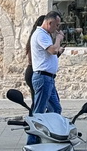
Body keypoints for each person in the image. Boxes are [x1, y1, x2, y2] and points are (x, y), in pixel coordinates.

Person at [28, 10, 66, 144]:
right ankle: (32, 142)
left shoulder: (45, 35)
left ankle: (53, 135)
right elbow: (53, 50)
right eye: (56, 25)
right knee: (38, 112)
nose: (57, 28)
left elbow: (52, 54)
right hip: (43, 78)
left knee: (56, 109)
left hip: (49, 79)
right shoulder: (40, 34)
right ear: (49, 23)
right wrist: (59, 39)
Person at [24, 14, 46, 102]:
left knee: (37, 100)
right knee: (39, 101)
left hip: (31, 71)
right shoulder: (38, 38)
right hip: (34, 71)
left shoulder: (32, 39)